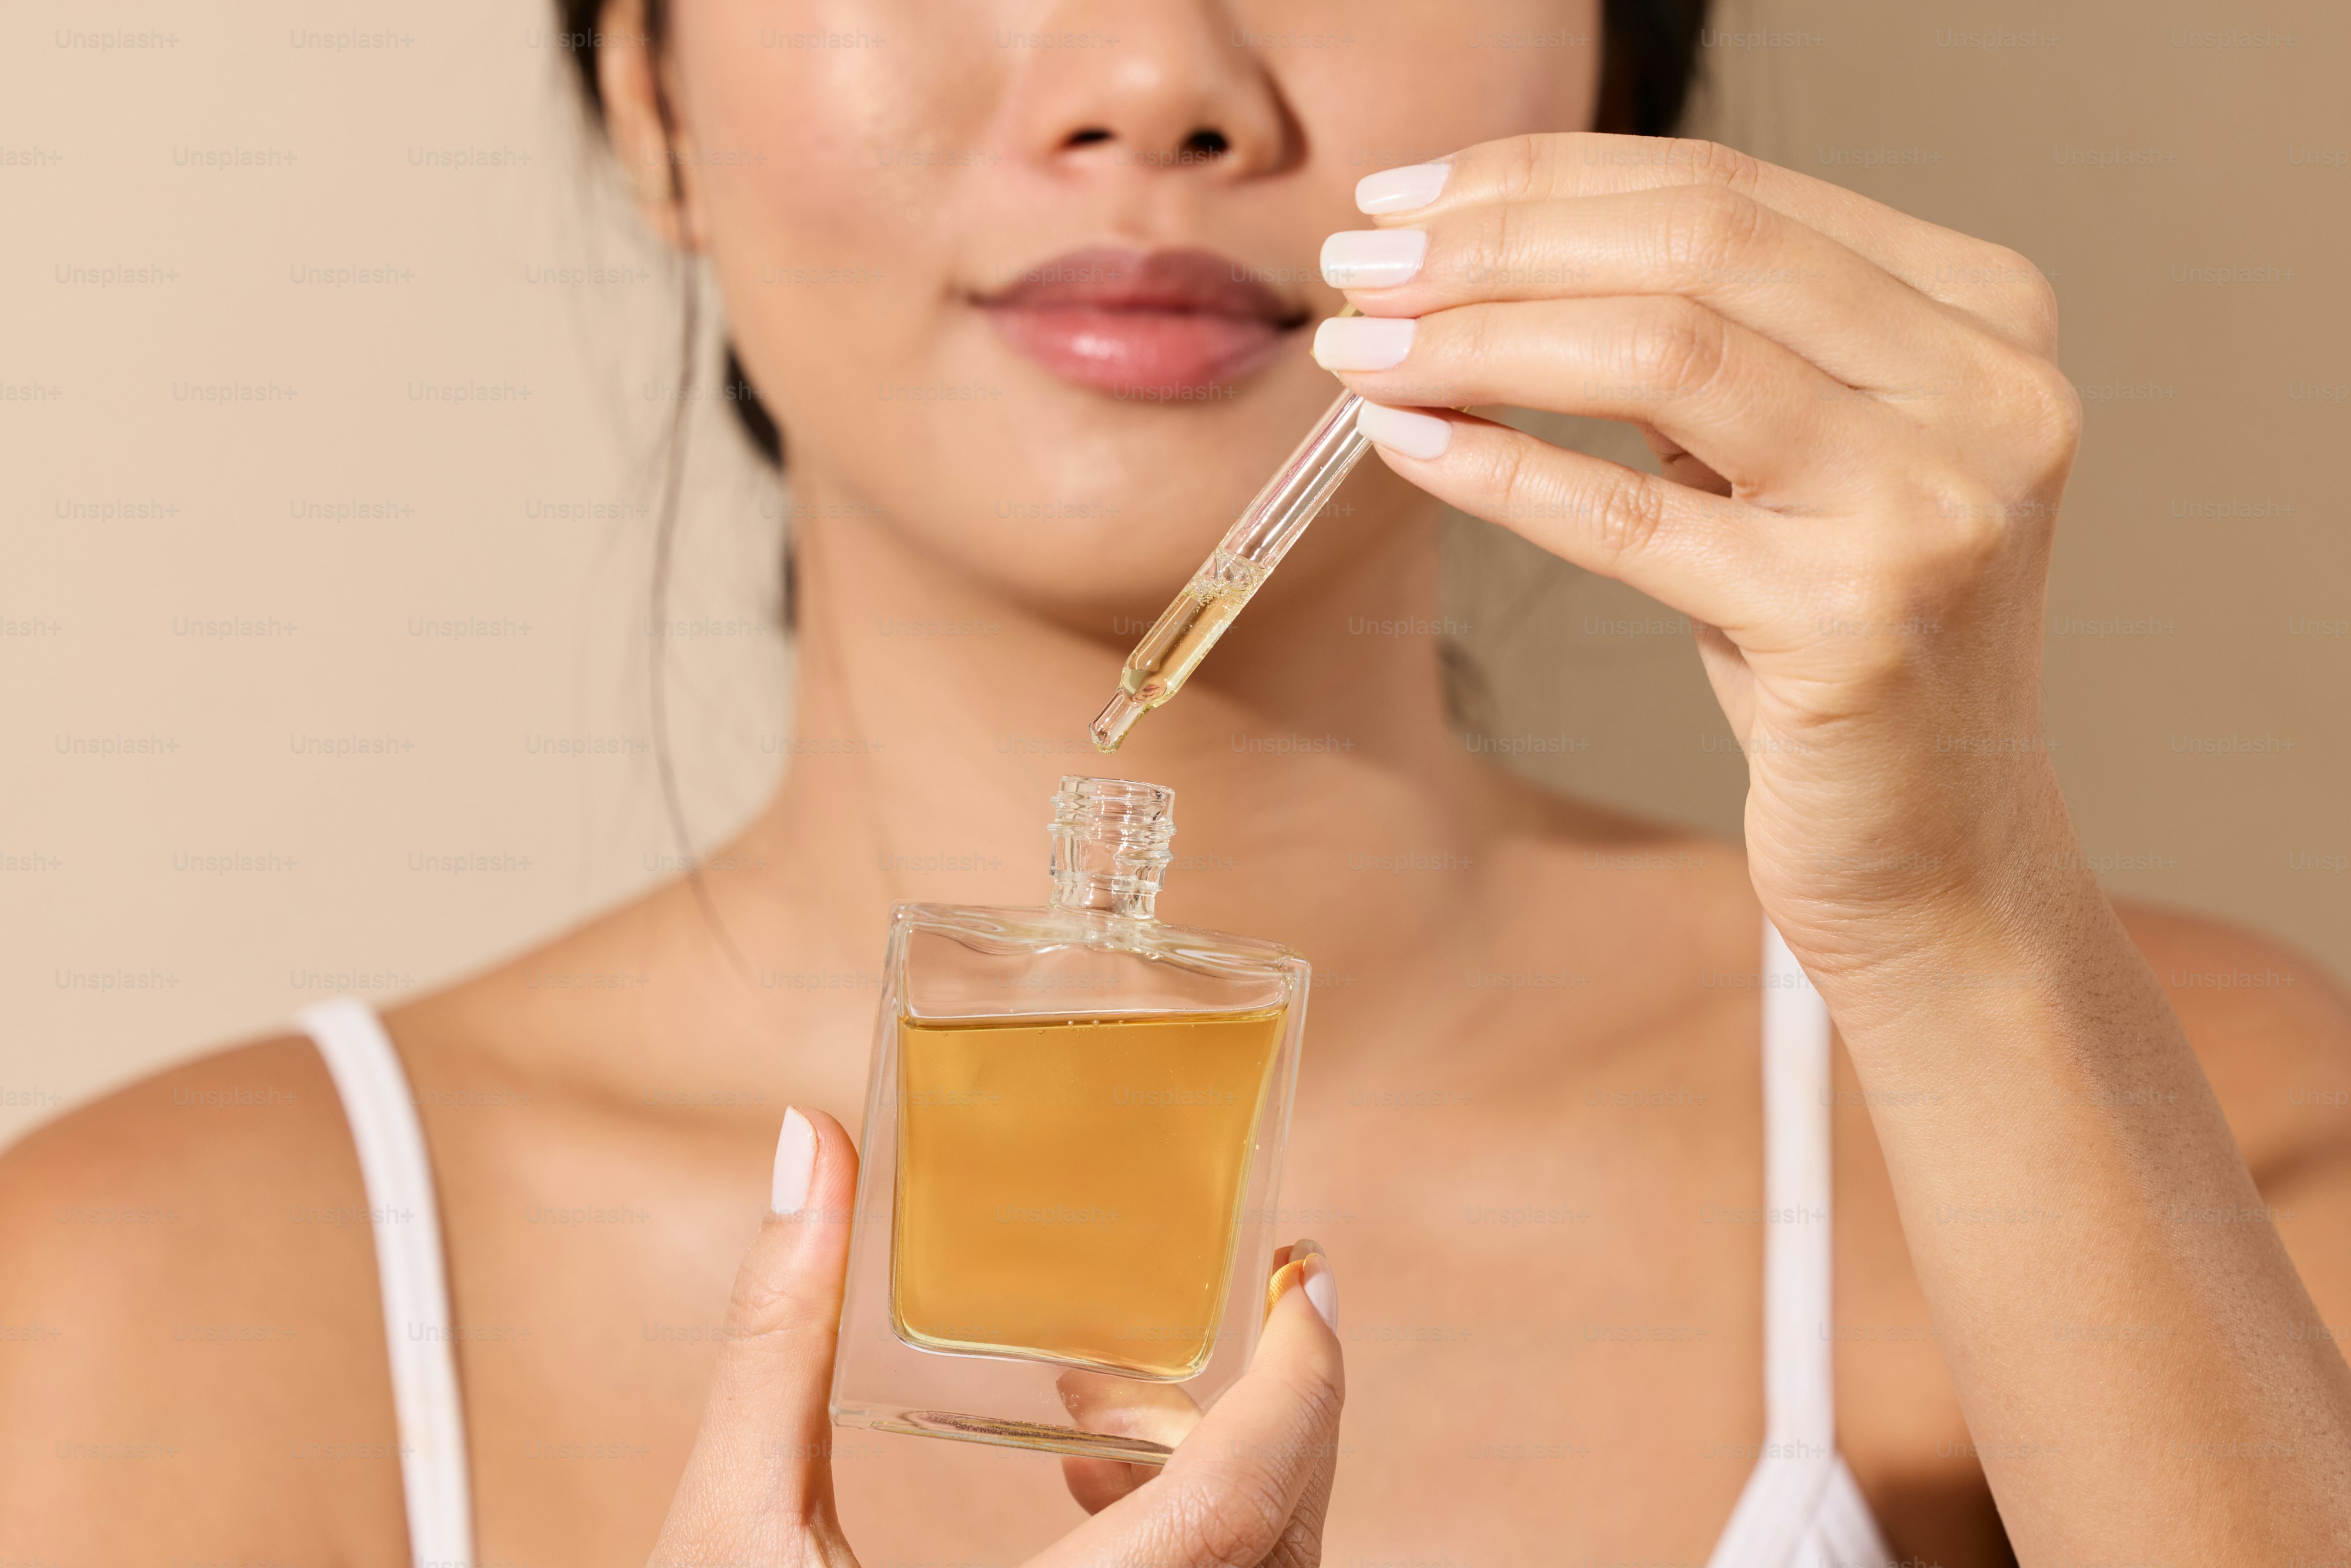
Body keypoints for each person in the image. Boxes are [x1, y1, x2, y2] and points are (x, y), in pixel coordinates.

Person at [5, 2, 2349, 1564]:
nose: (1155, 75)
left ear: (1617, 74)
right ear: (652, 100)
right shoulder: (124, 1313)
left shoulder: (2186, 1131)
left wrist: (1958, 922)